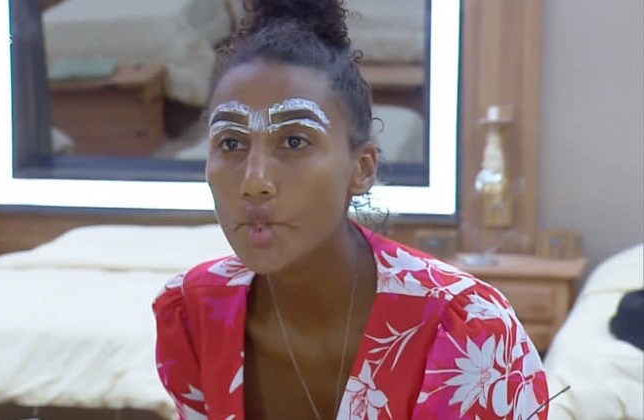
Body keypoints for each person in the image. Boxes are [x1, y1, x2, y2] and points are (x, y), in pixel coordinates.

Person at [152, 0, 549, 418]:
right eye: (231, 143)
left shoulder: (466, 330)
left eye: (294, 142)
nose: (255, 181)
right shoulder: (194, 312)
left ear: (362, 169)